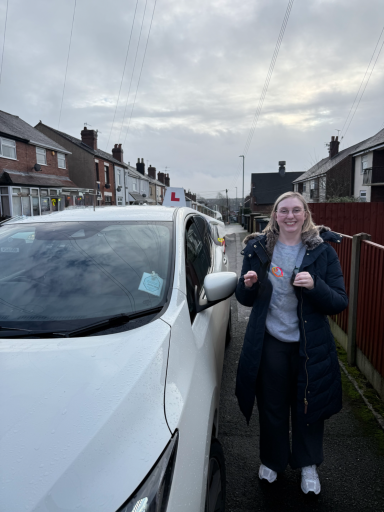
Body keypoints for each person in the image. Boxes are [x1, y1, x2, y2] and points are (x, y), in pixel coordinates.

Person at [235, 191, 348, 495]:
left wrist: (315, 286)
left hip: (309, 345)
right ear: (274, 215)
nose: (290, 216)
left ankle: (308, 464)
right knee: (272, 405)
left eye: (296, 210)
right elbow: (244, 298)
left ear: (305, 214)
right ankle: (273, 460)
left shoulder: (322, 252)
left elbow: (339, 301)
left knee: (307, 406)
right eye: (283, 210)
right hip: (270, 340)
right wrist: (247, 286)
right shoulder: (257, 248)